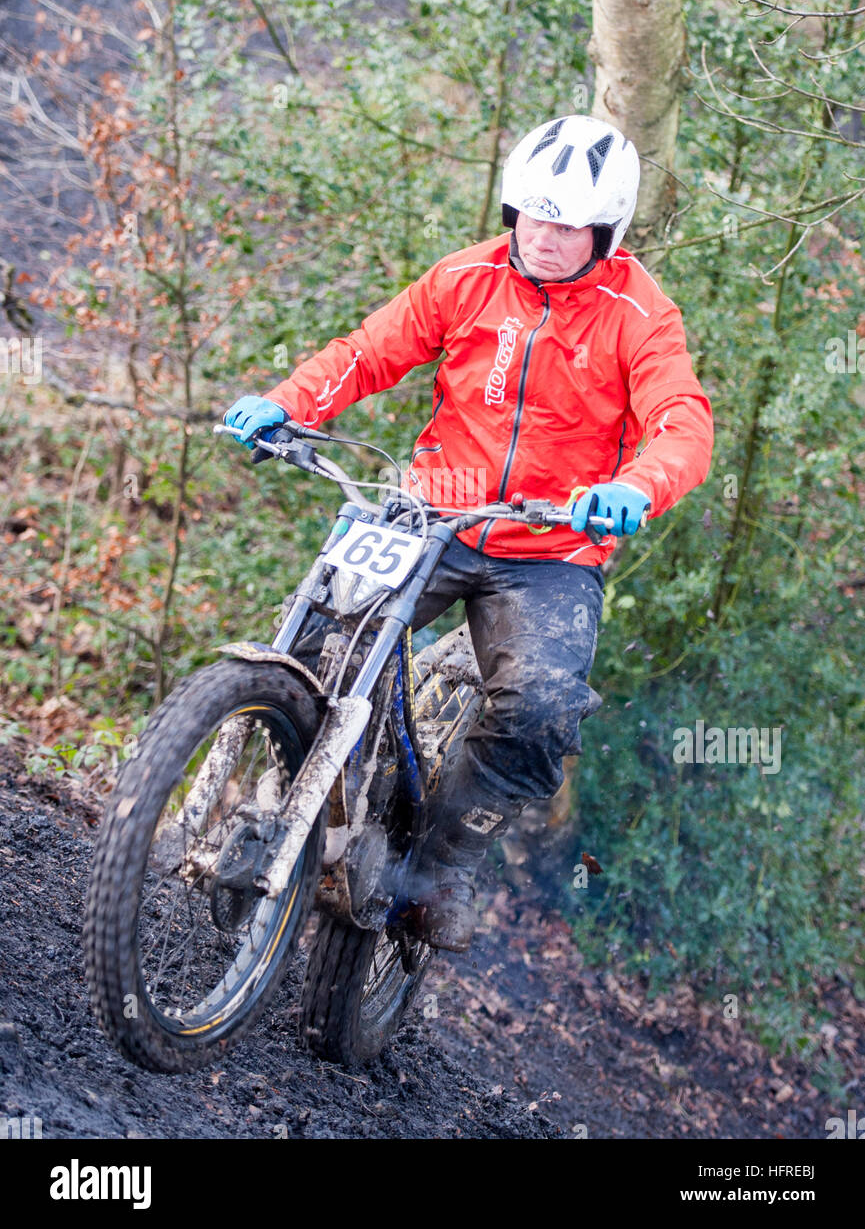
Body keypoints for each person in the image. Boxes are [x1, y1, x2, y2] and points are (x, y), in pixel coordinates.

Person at [224, 114, 714, 952]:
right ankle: (273, 800)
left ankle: (443, 863)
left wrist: (635, 486)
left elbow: (681, 421)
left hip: (550, 547)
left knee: (540, 708)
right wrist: (289, 403)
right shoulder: (465, 278)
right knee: (319, 633)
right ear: (509, 209)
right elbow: (370, 351)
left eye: (568, 225)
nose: (546, 237)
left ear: (607, 231)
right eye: (532, 215)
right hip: (431, 511)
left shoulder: (639, 314)